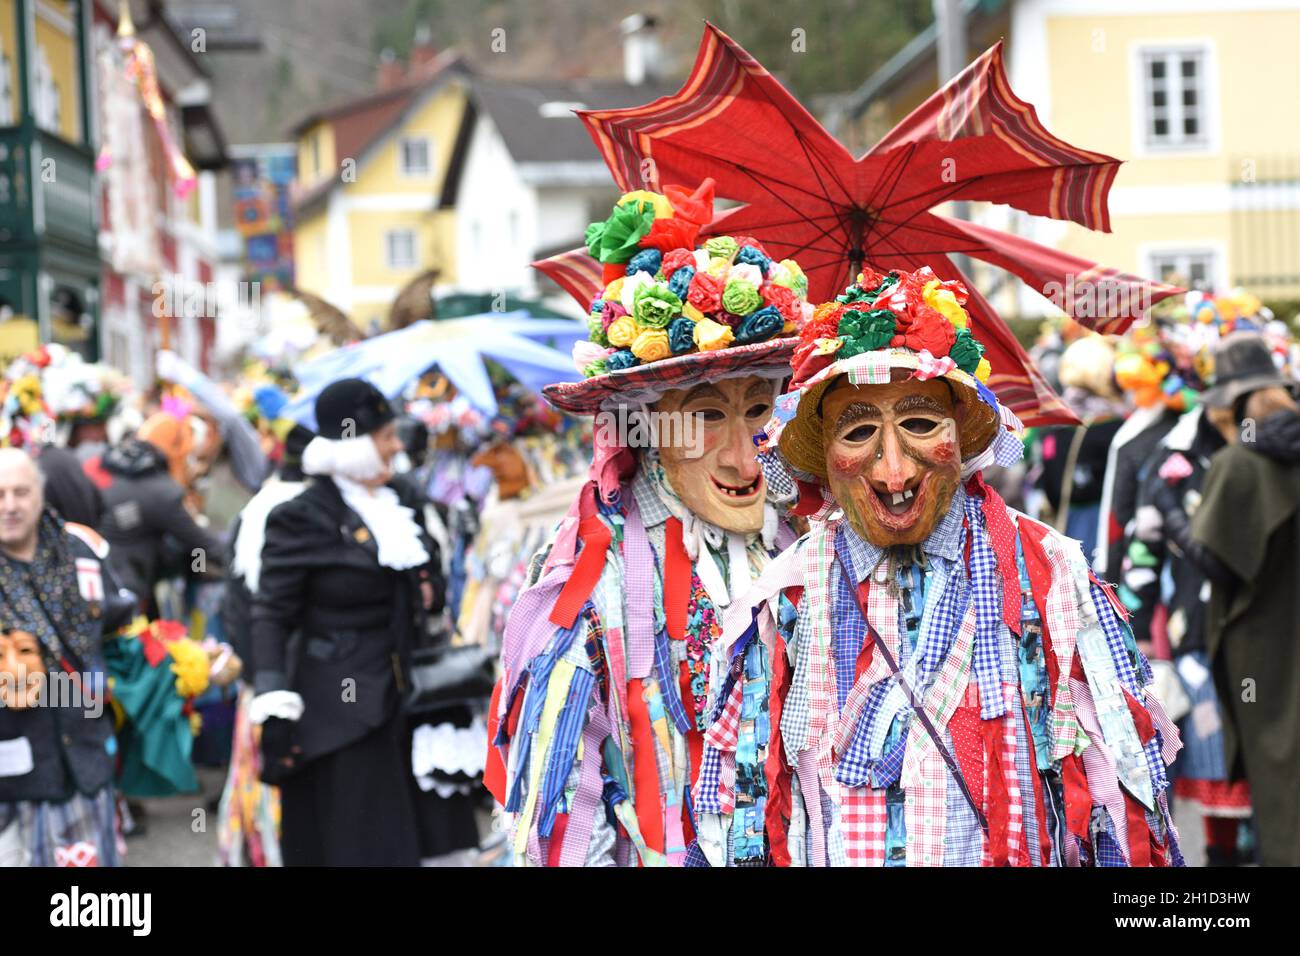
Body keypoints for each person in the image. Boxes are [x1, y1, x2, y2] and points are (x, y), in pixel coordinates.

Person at [693, 267, 1183, 866]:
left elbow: (1124, 815)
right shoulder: (786, 598)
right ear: (825, 455)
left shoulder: (1049, 574)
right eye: (859, 430)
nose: (894, 471)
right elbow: (740, 813)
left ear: (962, 435)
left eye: (921, 425)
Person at [489, 182, 813, 866]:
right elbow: (561, 816)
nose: (741, 452)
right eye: (704, 416)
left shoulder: (806, 546)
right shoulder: (594, 579)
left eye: (757, 410)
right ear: (647, 428)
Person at [249, 379, 454, 866]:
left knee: (399, 844)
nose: (398, 446)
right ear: (356, 445)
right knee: (355, 845)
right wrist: (274, 701)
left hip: (401, 700)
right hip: (337, 712)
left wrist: (427, 586)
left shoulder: (396, 505)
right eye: (386, 436)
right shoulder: (300, 515)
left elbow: (428, 591)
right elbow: (271, 613)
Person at [1120, 399, 1251, 864]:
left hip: (1265, 625)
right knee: (1213, 742)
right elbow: (1144, 551)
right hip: (1196, 625)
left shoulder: (1266, 453)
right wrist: (1136, 629)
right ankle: (1224, 852)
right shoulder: (1175, 460)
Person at [1192, 332, 1300, 867]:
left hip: (1263, 653)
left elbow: (1212, 557)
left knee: (1278, 788)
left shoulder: (1239, 464)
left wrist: (1174, 521)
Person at [0, 448, 135, 866]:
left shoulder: (81, 551)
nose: (9, 506)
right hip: (11, 773)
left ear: (41, 493)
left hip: (86, 758)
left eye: (21, 492)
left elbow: (115, 625)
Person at [214, 422, 314, 867]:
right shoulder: (300, 510)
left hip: (264, 678)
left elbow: (234, 603)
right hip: (288, 680)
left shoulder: (254, 508)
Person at [92, 412, 224, 613]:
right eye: (188, 452)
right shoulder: (160, 490)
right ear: (175, 448)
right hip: (129, 587)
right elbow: (200, 544)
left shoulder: (124, 464)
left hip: (109, 577)